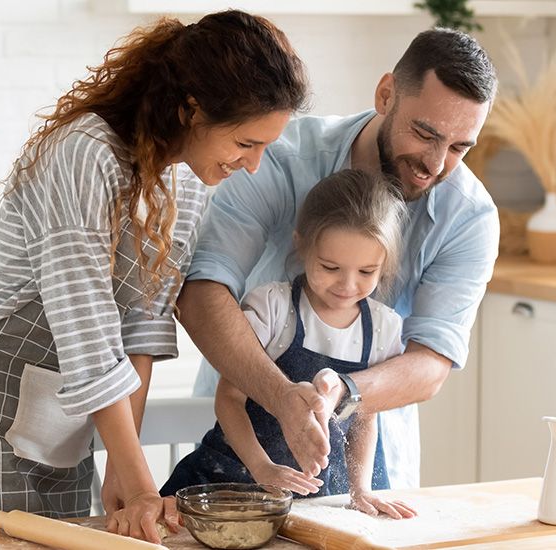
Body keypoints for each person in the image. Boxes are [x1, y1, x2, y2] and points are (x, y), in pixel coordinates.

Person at [0, 10, 307, 544]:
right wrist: (143, 485)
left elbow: (142, 326)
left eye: (265, 147)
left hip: (70, 412)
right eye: (245, 143)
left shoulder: (185, 183)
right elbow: (88, 328)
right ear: (192, 109)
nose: (253, 164)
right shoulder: (85, 153)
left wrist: (128, 471)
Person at [178, 27, 499, 490]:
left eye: (458, 148)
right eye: (424, 133)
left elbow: (430, 364)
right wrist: (282, 397)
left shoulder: (469, 217)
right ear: (386, 94)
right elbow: (202, 291)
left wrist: (344, 393)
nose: (434, 163)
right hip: (238, 450)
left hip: (367, 468)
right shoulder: (280, 157)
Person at [161, 169, 416, 518]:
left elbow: (364, 417)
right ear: (302, 244)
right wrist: (262, 468)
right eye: (330, 267)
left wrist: (360, 490)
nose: (347, 285)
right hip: (229, 484)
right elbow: (229, 399)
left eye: (366, 272)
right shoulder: (272, 308)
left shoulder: (384, 328)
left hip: (311, 500)